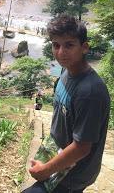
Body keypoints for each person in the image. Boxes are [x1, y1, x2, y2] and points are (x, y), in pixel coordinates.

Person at [22, 14, 110, 193]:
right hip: (57, 157)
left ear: (84, 47)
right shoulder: (66, 72)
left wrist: (45, 170)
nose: (61, 52)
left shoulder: (89, 92)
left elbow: (82, 147)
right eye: (56, 45)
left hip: (72, 173)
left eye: (69, 45)